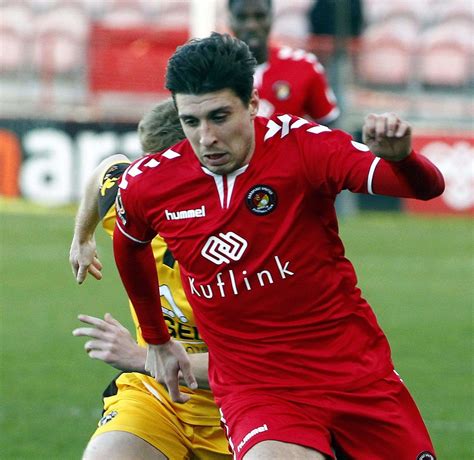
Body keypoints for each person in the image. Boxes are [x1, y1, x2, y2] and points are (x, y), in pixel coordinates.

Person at [112, 33, 444, 459]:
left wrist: (402, 158)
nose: (206, 137)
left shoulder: (304, 145)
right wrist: (156, 338)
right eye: (190, 122)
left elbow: (424, 188)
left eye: (219, 116)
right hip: (259, 390)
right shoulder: (151, 182)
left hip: (355, 373)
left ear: (252, 103)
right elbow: (129, 244)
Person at [70, 99, 231, 459]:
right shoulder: (133, 202)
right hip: (157, 397)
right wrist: (83, 237)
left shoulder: (245, 252)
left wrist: (140, 355)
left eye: (156, 168)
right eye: (144, 164)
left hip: (243, 408)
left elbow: (253, 367)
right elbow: (107, 170)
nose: (140, 178)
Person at [228, 0, 340, 123]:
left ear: (272, 18)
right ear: (230, 20)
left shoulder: (304, 65)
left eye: (259, 16)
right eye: (241, 17)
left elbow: (328, 123)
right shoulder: (214, 70)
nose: (251, 25)